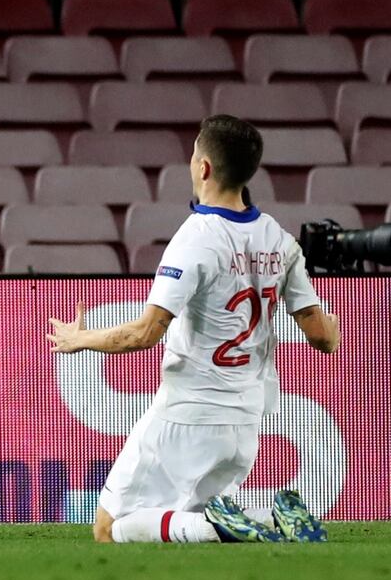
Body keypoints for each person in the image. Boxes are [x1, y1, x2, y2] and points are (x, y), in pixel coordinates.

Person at [46, 115, 341, 544]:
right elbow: (321, 337)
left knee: (109, 528)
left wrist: (79, 339)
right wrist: (332, 327)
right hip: (245, 421)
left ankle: (234, 525)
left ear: (203, 167)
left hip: (188, 413)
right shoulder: (279, 239)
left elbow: (146, 332)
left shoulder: (197, 238)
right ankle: (270, 516)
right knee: (186, 517)